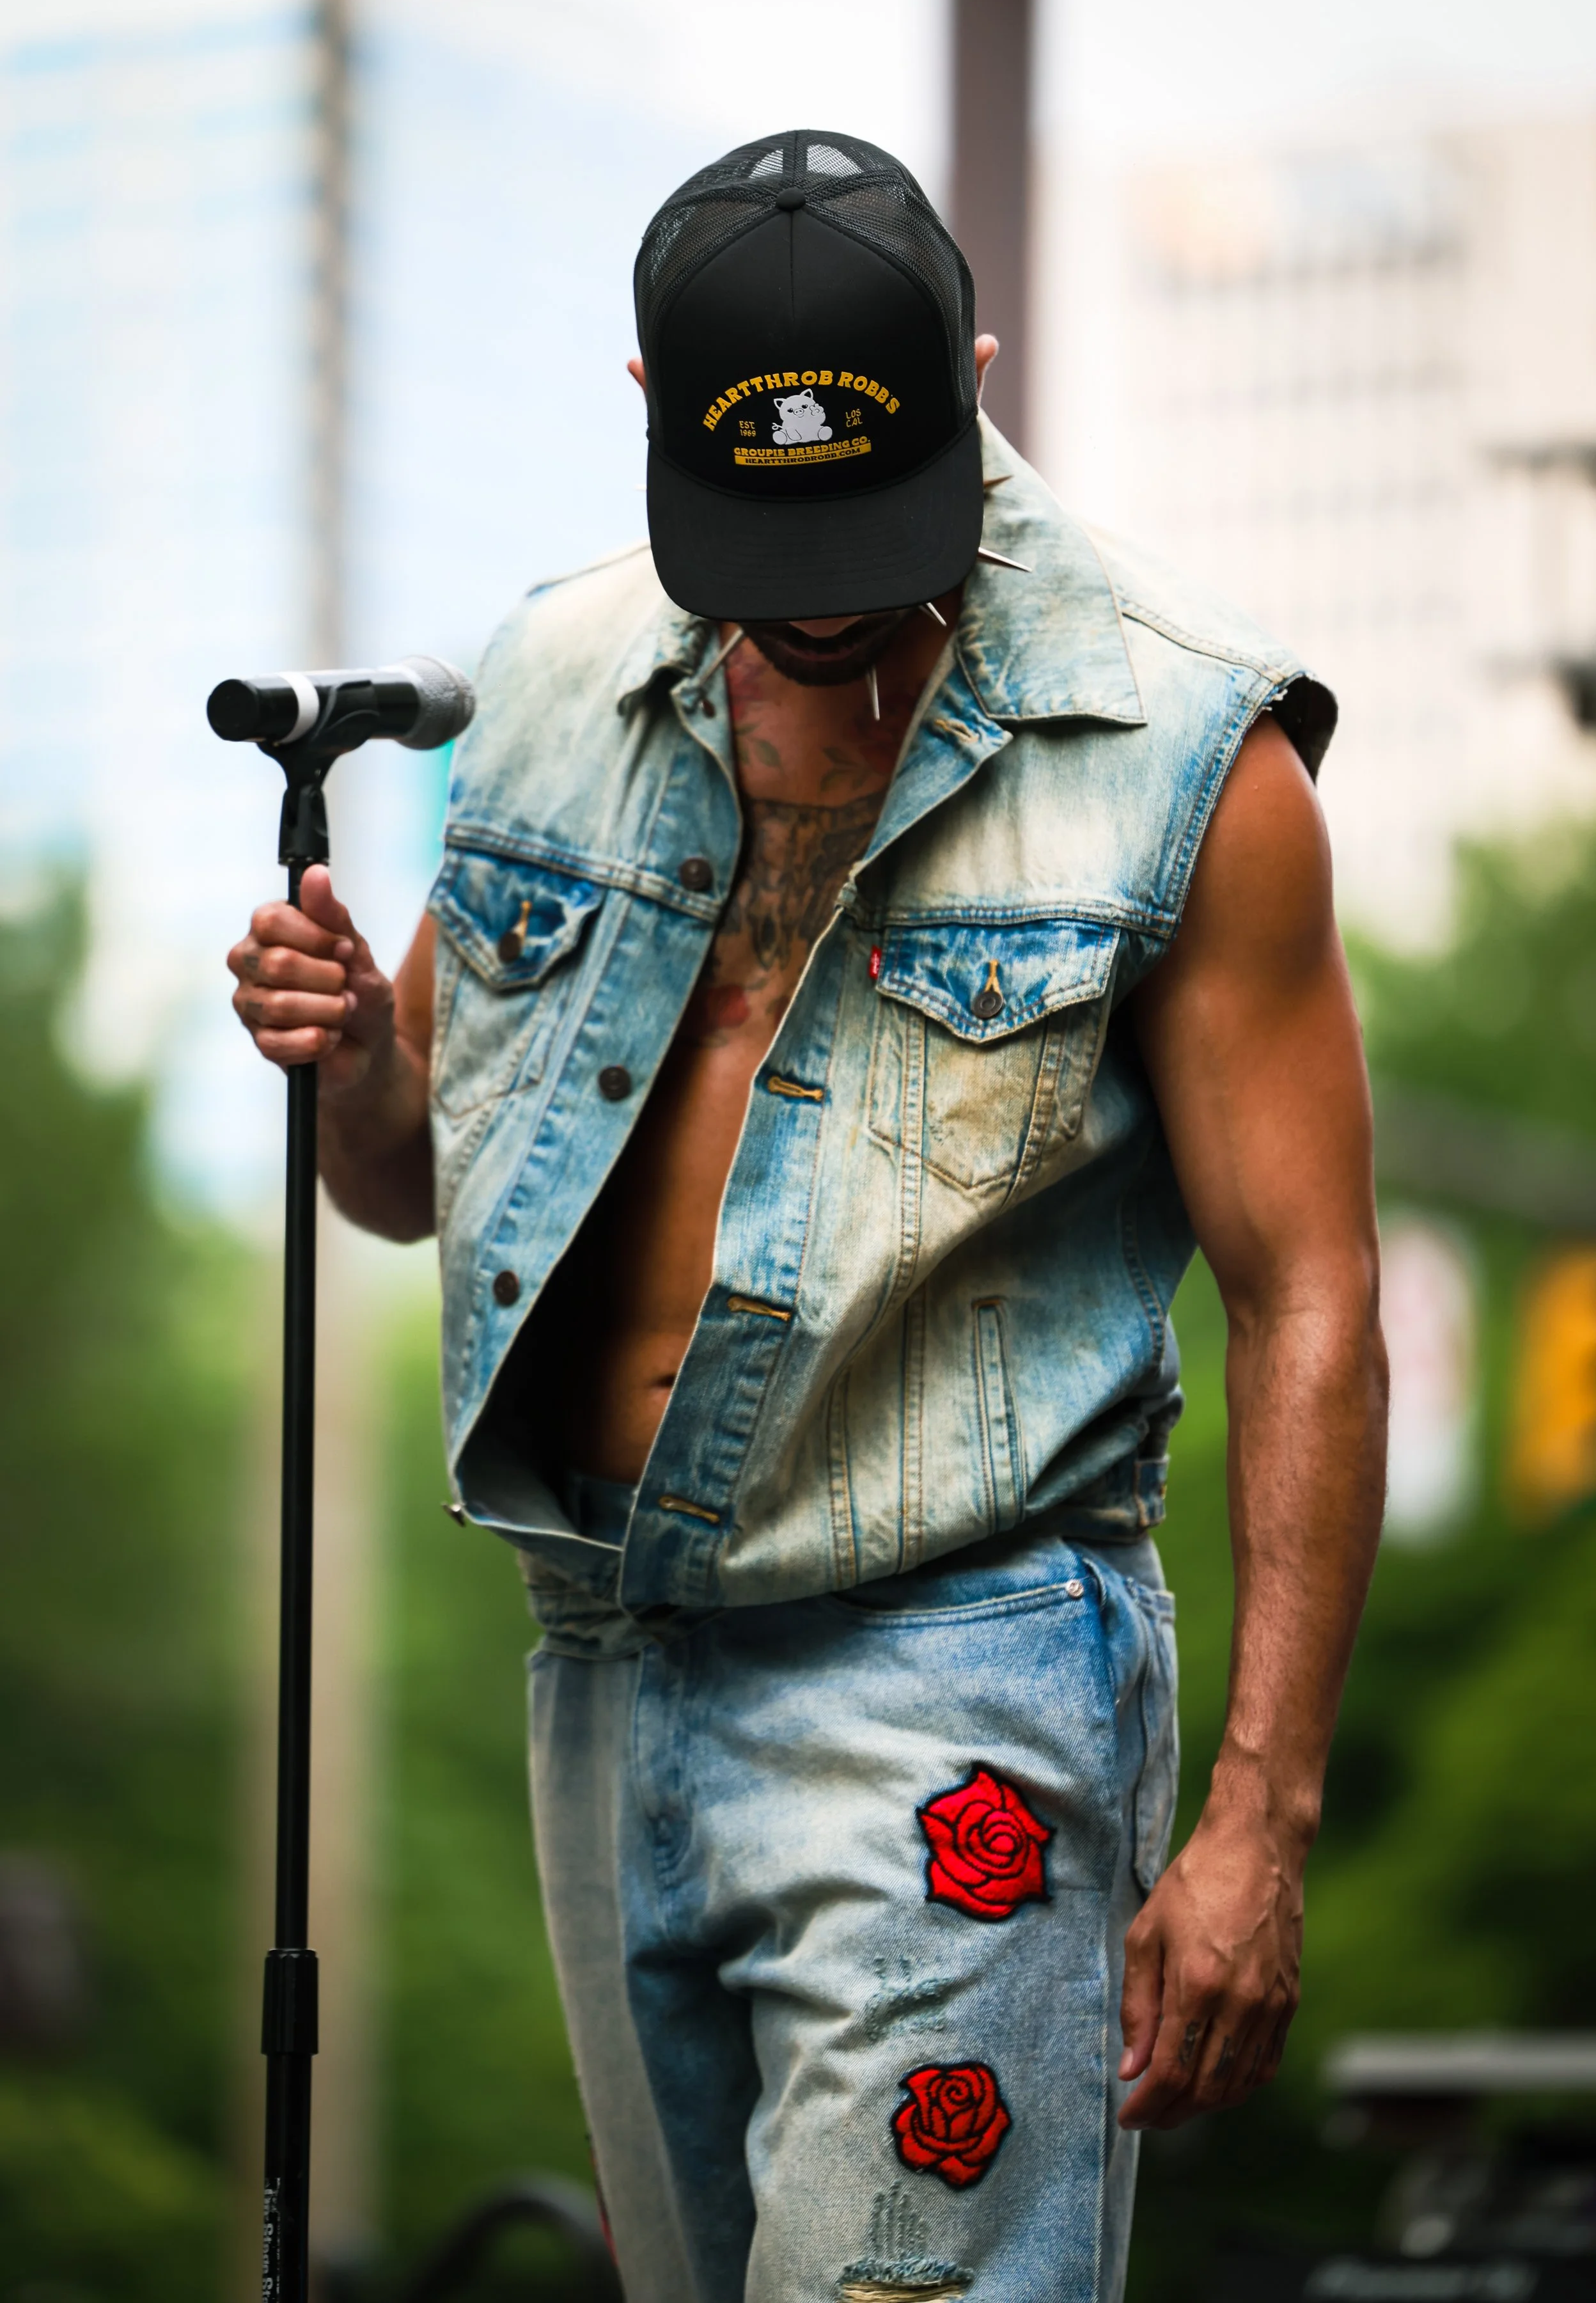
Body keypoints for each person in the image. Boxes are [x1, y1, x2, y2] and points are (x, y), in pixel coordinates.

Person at [226, 132, 1386, 2303]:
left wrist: (1259, 1815)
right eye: (770, 542)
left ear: (967, 370)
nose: (829, 600)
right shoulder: (555, 680)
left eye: (872, 528)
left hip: (957, 1681)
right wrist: (354, 1071)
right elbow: (408, 1185)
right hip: (604, 1664)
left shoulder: (1179, 745)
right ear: (649, 401)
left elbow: (1307, 1287)